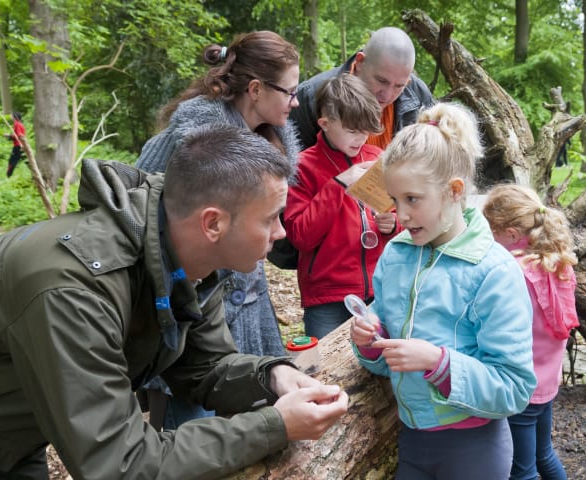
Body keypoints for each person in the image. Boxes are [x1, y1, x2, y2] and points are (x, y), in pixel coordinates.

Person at [0, 125, 348, 480]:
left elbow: (203, 367)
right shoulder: (73, 287)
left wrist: (272, 377)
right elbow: (117, 464)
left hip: (3, 430)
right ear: (213, 224)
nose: (282, 233)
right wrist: (273, 426)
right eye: (270, 219)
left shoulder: (185, 256)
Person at [349, 103, 537, 479]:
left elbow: (514, 388)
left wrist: (438, 362)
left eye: (412, 200)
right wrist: (370, 342)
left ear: (454, 191)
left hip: (475, 449)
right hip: (414, 439)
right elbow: (388, 361)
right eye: (394, 200)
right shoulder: (396, 258)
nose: (399, 215)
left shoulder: (493, 271)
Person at [135, 30, 301, 428]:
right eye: (290, 91)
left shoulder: (270, 138)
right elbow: (148, 220)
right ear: (257, 89)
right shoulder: (191, 141)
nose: (297, 102)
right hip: (190, 307)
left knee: (248, 421)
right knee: (190, 428)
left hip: (248, 310)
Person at [284, 74, 400, 339]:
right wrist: (338, 186)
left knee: (378, 363)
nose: (361, 138)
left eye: (366, 130)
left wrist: (393, 225)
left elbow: (401, 214)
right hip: (328, 298)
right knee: (325, 369)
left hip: (378, 291)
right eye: (352, 130)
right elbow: (300, 236)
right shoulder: (303, 166)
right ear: (325, 124)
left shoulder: (376, 158)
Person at [483, 184, 579, 480]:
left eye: (490, 233)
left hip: (520, 386)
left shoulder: (513, 272)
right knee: (544, 454)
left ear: (511, 235)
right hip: (546, 383)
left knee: (522, 471)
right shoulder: (558, 261)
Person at [290, 26, 435, 151]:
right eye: (381, 81)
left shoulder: (418, 95)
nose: (387, 95)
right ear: (360, 62)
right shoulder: (310, 97)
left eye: (399, 86)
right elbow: (291, 174)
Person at [6, 111, 26, 177]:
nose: (10, 116)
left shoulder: (16, 124)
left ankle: (8, 176)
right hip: (22, 145)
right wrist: (10, 136)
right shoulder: (20, 124)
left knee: (12, 161)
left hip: (18, 146)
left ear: (14, 116)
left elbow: (18, 135)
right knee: (27, 161)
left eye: (11, 115)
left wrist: (9, 136)